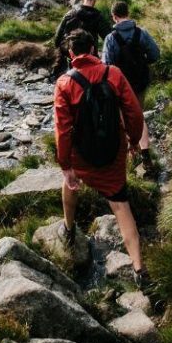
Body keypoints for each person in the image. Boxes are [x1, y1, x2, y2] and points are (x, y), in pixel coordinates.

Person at [54, 28, 149, 286]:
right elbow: (134, 113)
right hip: (113, 150)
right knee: (120, 204)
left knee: (70, 184)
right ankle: (139, 270)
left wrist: (66, 165)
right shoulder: (114, 74)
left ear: (71, 54)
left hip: (81, 155)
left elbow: (62, 130)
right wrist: (132, 140)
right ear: (94, 49)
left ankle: (70, 228)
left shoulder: (64, 83)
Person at [102, 1, 160, 172]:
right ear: (128, 12)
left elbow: (106, 66)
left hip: (120, 85)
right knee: (139, 117)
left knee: (123, 119)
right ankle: (146, 155)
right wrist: (143, 63)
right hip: (140, 82)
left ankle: (130, 153)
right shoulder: (141, 33)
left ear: (114, 16)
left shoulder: (110, 38)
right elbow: (155, 54)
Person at [54, 0, 111, 75]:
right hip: (90, 56)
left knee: (72, 80)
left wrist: (63, 51)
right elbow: (109, 37)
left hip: (72, 55)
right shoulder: (98, 17)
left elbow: (57, 38)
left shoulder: (70, 14)